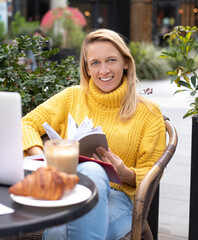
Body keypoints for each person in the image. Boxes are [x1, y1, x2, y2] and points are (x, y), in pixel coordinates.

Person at [22, 29, 166, 239]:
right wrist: (43, 156)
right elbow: (26, 124)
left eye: (111, 60)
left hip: (120, 199)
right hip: (68, 192)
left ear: (126, 62)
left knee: (62, 225)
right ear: (87, 69)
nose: (104, 70)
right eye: (95, 63)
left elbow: (152, 171)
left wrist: (126, 173)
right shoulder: (72, 97)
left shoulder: (149, 112)